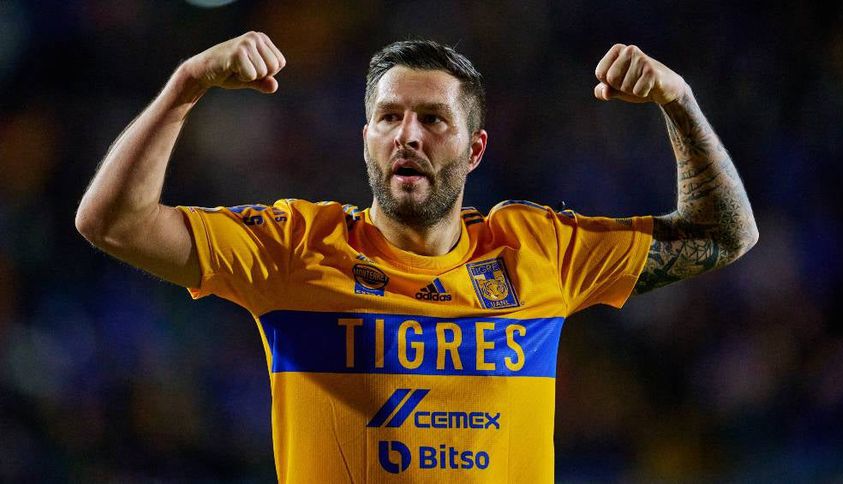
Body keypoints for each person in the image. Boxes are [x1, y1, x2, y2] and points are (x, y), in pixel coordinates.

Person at [75, 32, 758, 483]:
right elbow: (111, 222)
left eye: (433, 119)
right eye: (389, 117)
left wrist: (679, 101)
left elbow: (725, 235)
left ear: (475, 149)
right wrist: (186, 85)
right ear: (365, 138)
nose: (408, 135)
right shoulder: (294, 247)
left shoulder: (539, 249)